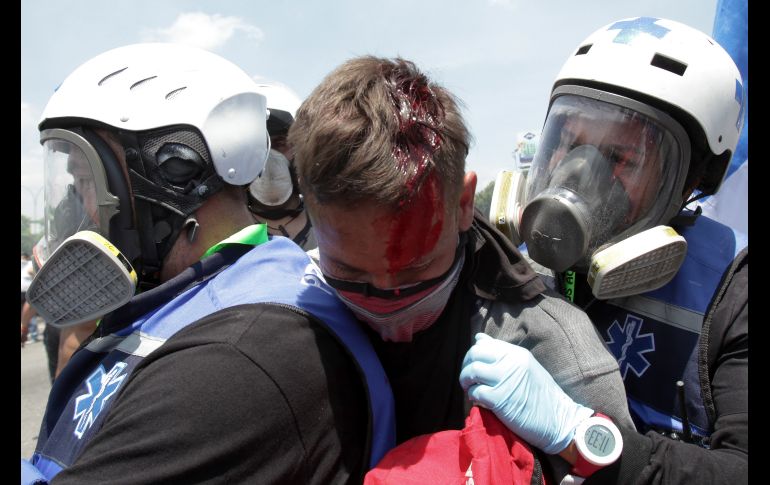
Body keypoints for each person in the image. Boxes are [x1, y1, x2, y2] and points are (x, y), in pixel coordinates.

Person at [22, 43, 394, 484]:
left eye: (85, 178)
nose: (80, 207)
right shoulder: (190, 295)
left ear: (174, 171)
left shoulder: (236, 353)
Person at [287, 55, 634, 482]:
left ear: (465, 204)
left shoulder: (557, 349)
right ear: (311, 214)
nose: (390, 318)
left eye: (415, 273)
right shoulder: (285, 305)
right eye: (351, 275)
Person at [482, 17, 747, 483]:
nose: (580, 173)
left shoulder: (734, 294)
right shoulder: (512, 262)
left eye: (621, 158)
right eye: (569, 144)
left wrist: (584, 438)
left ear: (692, 180)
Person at [247, 82, 317, 250]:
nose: (268, 156)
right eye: (258, 146)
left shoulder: (331, 225)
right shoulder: (226, 233)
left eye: (279, 143)